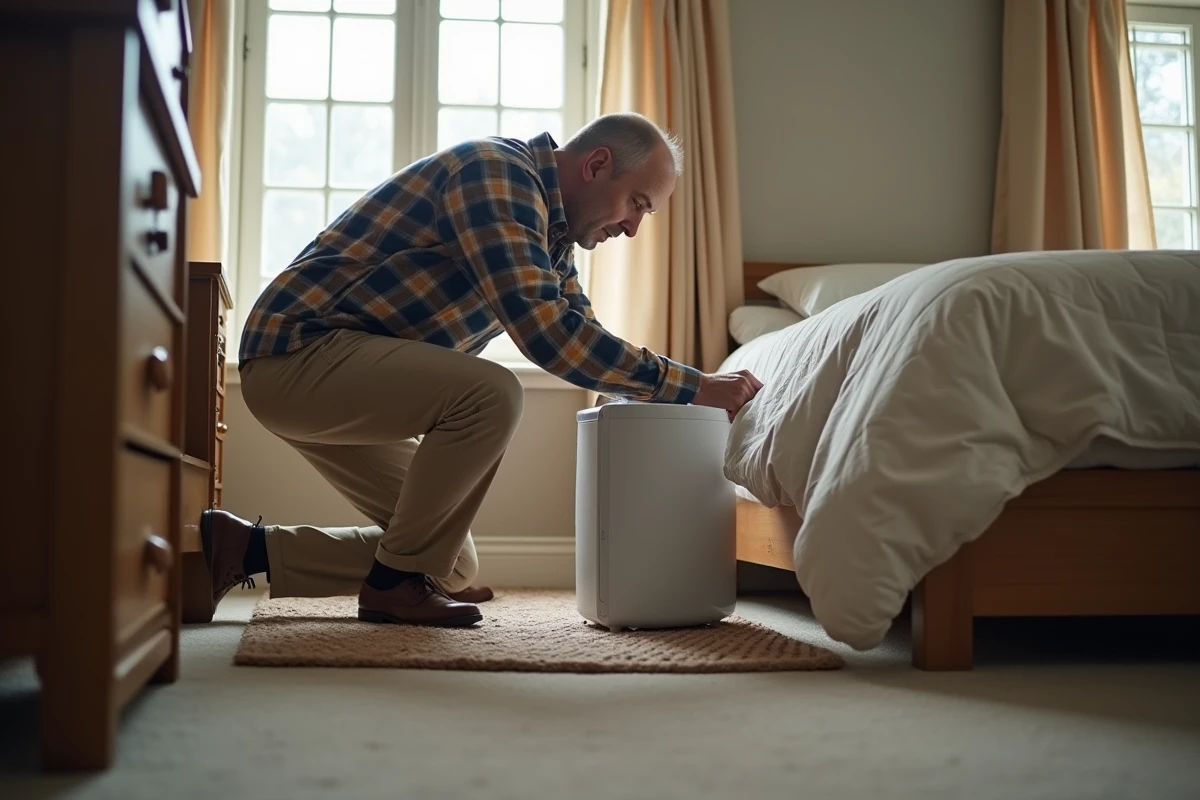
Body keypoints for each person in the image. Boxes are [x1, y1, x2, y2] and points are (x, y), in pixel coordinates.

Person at [203, 112, 763, 627]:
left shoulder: (553, 241)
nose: (635, 227)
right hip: (299, 356)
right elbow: (550, 337)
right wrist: (696, 387)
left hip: (339, 373)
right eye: (638, 203)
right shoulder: (496, 175)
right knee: (492, 393)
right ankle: (394, 585)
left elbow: (582, 336)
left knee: (447, 562)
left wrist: (659, 391)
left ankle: (246, 548)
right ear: (597, 165)